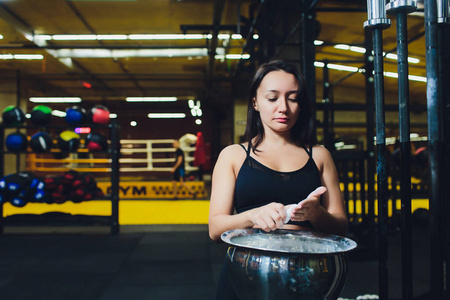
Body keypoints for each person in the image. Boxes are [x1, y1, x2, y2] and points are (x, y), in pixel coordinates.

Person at [208, 60, 348, 299]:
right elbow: (215, 228)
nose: (283, 107)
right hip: (249, 271)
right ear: (256, 102)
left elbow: (341, 225)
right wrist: (253, 215)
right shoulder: (233, 155)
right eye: (272, 98)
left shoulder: (319, 155)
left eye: (292, 98)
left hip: (307, 275)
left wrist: (317, 214)